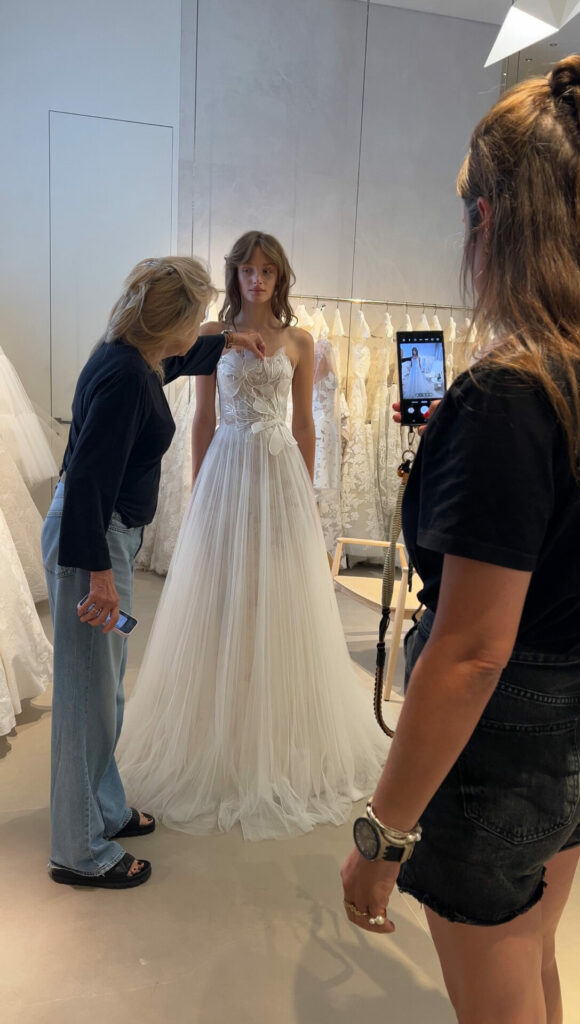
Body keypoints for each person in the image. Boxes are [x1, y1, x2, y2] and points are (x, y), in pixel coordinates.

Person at [341, 56, 580, 1024]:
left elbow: (473, 649)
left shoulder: (511, 391)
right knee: (530, 953)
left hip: (508, 734)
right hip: (569, 723)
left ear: (486, 221)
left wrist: (382, 834)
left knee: (498, 985)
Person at [117, 231, 388, 840]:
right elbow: (204, 419)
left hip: (279, 472)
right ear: (234, 275)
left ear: (279, 277)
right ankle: (220, 717)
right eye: (248, 270)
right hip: (228, 470)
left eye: (267, 271)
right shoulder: (212, 335)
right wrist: (198, 493)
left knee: (278, 590)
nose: (258, 280)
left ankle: (277, 724)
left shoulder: (300, 340)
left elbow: (306, 426)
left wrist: (309, 498)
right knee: (222, 590)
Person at [42, 255, 265, 888]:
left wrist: (230, 337)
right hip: (93, 544)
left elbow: (181, 361)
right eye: (198, 319)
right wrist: (98, 577)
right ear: (174, 321)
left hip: (105, 538)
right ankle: (78, 850)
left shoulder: (135, 357)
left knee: (104, 691)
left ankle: (104, 810)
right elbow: (88, 482)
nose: (200, 329)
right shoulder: (125, 378)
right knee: (87, 699)